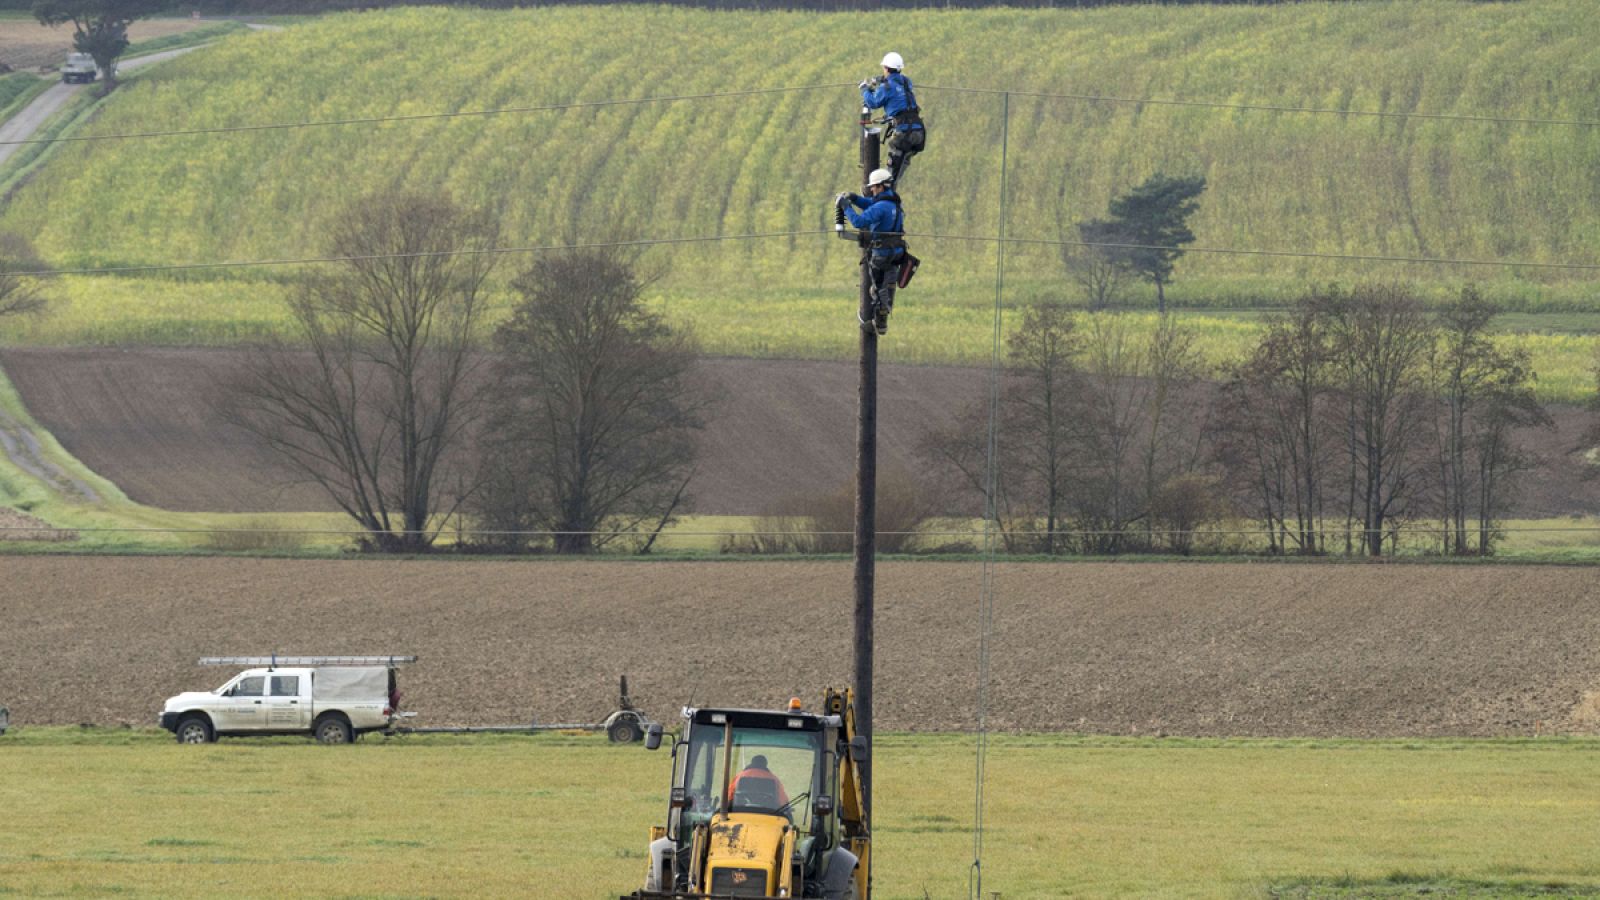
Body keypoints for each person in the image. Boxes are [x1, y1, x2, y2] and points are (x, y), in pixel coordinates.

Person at [837, 168, 907, 335]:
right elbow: (871, 204)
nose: (872, 190)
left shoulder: (881, 206)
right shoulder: (893, 202)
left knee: (879, 289)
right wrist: (855, 198)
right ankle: (884, 315)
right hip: (897, 253)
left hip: (882, 255)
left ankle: (879, 324)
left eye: (874, 187)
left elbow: (859, 222)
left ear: (881, 186)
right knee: (889, 286)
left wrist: (846, 207)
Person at [860, 52, 925, 188]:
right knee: (900, 166)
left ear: (886, 68)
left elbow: (874, 102)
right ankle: (889, 192)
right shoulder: (906, 82)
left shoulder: (886, 87)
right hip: (918, 132)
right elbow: (898, 91)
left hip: (904, 134)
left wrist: (865, 90)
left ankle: (883, 195)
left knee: (889, 177)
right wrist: (881, 80)